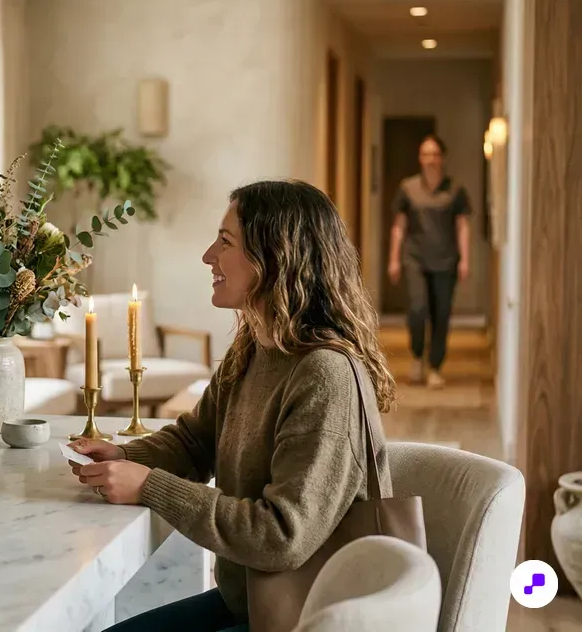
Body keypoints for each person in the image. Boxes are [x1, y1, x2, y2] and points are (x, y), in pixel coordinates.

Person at [67, 180, 397, 632]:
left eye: (225, 242)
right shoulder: (255, 346)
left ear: (274, 257)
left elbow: (282, 535)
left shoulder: (324, 375)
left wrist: (149, 486)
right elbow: (193, 443)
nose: (208, 257)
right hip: (250, 603)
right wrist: (124, 455)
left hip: (308, 618)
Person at [387, 134, 472, 389]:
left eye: (434, 154)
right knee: (416, 309)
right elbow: (399, 227)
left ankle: (435, 366)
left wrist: (465, 259)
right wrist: (394, 259)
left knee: (441, 314)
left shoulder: (455, 189)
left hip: (446, 261)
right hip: (415, 258)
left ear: (442, 158)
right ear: (419, 158)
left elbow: (463, 226)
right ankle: (416, 356)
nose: (430, 159)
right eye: (425, 154)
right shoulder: (408, 188)